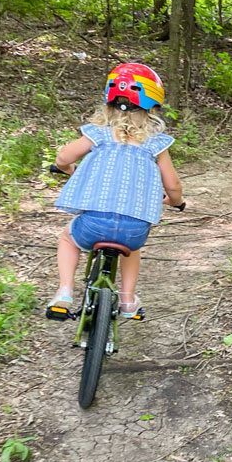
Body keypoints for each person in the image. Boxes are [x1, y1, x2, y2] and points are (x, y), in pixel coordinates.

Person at [47, 63, 183, 319]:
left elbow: (64, 157)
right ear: (152, 108)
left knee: (68, 238)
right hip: (134, 230)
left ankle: (64, 291)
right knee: (131, 248)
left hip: (92, 226)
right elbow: (173, 186)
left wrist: (65, 168)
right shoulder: (156, 143)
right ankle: (128, 301)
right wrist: (175, 201)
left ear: (108, 102)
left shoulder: (99, 134)